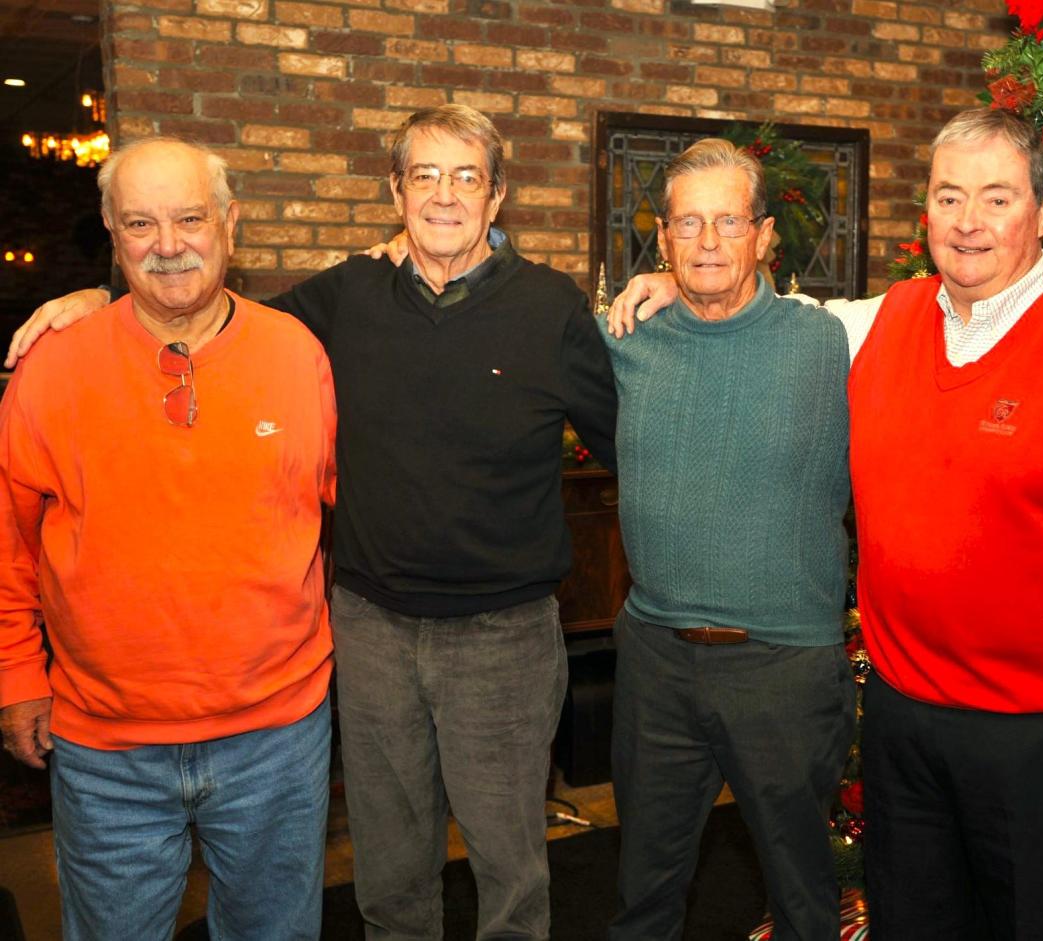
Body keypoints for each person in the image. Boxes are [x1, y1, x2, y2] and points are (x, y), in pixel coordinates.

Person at [11, 104, 618, 941]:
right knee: (389, 866)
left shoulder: (552, 307)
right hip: (368, 632)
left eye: (467, 176)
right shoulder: (344, 296)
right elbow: (192, 298)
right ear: (396, 190)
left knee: (511, 867)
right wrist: (96, 296)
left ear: (497, 194)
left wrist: (664, 305)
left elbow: (628, 438)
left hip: (503, 639)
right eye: (425, 176)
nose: (445, 196)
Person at [608, 108, 1043, 939]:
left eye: (997, 199)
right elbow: (761, 312)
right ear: (923, 210)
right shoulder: (878, 324)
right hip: (906, 725)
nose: (969, 222)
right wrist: (687, 277)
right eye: (949, 196)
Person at [0, 138, 337, 940]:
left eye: (190, 217)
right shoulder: (52, 367)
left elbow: (330, 513)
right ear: (112, 235)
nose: (169, 243)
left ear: (230, 224)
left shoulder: (298, 355)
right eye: (141, 223)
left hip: (277, 738)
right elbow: (9, 539)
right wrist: (15, 671)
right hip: (105, 750)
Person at [601, 138, 856, 941]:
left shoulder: (830, 341)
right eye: (687, 224)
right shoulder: (626, 335)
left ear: (766, 235)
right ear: (664, 238)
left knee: (801, 895)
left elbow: (959, 299)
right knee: (644, 889)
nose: (708, 241)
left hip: (782, 665)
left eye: (728, 222)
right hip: (655, 661)